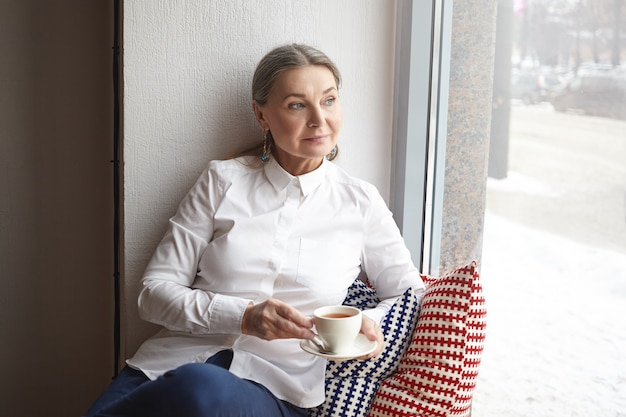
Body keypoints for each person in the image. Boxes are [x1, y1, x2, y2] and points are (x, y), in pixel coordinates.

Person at [84, 43, 425, 417]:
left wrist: (364, 321)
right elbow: (153, 295)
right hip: (164, 372)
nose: (319, 119)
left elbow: (409, 293)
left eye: (329, 100)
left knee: (200, 387)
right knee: (189, 384)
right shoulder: (221, 180)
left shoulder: (360, 202)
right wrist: (244, 316)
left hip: (275, 389)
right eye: (298, 104)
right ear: (261, 115)